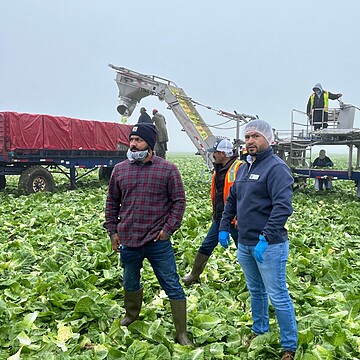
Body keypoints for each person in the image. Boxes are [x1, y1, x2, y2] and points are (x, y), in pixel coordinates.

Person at [104, 123, 193, 346]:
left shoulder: (168, 169)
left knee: (172, 283)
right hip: (129, 239)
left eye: (138, 140)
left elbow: (179, 202)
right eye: (131, 140)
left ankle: (181, 333)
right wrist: (112, 231)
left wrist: (167, 230)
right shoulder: (120, 169)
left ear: (150, 144)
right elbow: (112, 202)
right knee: (130, 280)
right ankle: (131, 315)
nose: (133, 144)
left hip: (157, 241)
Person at [218, 119, 297, 360]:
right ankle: (259, 331)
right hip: (245, 243)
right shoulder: (243, 168)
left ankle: (288, 346)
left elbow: (283, 207)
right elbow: (232, 200)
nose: (250, 141)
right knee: (256, 291)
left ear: (268, 139)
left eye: (256, 137)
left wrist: (266, 236)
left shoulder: (276, 168)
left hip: (269, 245)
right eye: (248, 137)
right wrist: (223, 226)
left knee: (278, 295)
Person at [182, 139, 243, 286]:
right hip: (220, 218)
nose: (213, 155)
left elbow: (245, 196)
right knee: (206, 245)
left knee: (244, 251)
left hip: (235, 220)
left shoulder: (239, 168)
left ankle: (255, 280)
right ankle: (194, 275)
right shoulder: (219, 169)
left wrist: (240, 217)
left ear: (222, 153)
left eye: (215, 152)